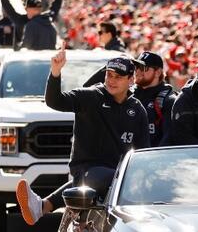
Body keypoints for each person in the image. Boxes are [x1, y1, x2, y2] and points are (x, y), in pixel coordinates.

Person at [16, 49, 150, 226]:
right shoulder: (90, 96)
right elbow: (55, 101)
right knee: (115, 178)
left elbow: (143, 153)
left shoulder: (137, 109)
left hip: (120, 175)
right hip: (87, 169)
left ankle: (42, 206)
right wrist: (55, 72)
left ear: (131, 79)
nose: (111, 80)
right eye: (109, 75)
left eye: (118, 76)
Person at [133, 52, 177, 146]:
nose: (137, 71)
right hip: (126, 158)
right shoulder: (127, 94)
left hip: (153, 157)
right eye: (136, 67)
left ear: (158, 72)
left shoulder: (168, 100)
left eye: (143, 68)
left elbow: (168, 139)